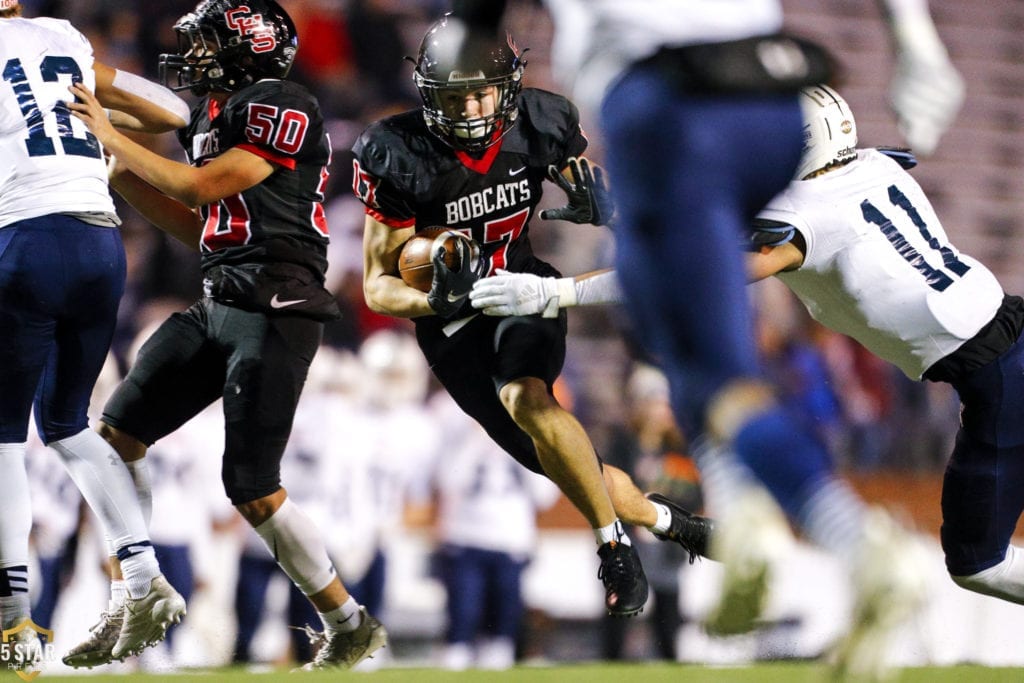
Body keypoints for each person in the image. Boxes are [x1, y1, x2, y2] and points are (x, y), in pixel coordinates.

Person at [453, 0, 963, 677]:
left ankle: (852, 548)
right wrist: (913, 37)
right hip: (773, 108)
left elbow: (470, 38)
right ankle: (746, 511)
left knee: (691, 354)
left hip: (667, 111)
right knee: (698, 350)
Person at [354, 14, 711, 620]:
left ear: (508, 88)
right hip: (453, 328)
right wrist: (439, 298)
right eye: (454, 94)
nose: (469, 107)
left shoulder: (541, 121)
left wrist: (602, 206)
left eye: (480, 91)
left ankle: (613, 549)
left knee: (528, 398)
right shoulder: (396, 153)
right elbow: (378, 287)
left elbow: (594, 192)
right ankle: (671, 521)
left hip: (523, 290)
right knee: (577, 468)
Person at [66, 0, 385, 670]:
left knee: (252, 485)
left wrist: (115, 134)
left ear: (252, 49)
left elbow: (208, 185)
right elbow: (205, 229)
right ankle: (139, 590)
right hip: (220, 297)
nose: (195, 56)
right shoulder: (215, 115)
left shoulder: (283, 101)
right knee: (115, 436)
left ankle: (346, 619)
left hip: (278, 305)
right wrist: (120, 174)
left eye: (209, 43)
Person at [745, 84, 1024, 607]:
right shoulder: (876, 166)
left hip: (1004, 380)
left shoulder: (810, 215)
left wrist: (566, 290)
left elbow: (710, 268)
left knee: (979, 562)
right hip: (1004, 356)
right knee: (974, 560)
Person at [0, 0, 192, 668]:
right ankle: (143, 576)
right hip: (100, 240)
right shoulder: (61, 36)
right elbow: (172, 109)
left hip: (28, 234)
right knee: (69, 423)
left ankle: (12, 622)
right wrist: (105, 128)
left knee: (3, 436)